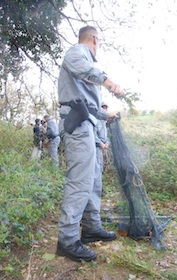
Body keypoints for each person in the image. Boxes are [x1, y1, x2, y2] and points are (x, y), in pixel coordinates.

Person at [56, 25, 124, 262]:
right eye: (98, 42)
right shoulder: (78, 52)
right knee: (80, 182)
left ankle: (91, 227)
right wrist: (108, 81)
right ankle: (67, 240)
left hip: (90, 126)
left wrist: (108, 116)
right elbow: (84, 70)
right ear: (94, 39)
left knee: (93, 181)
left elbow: (92, 107)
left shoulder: (85, 65)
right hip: (78, 125)